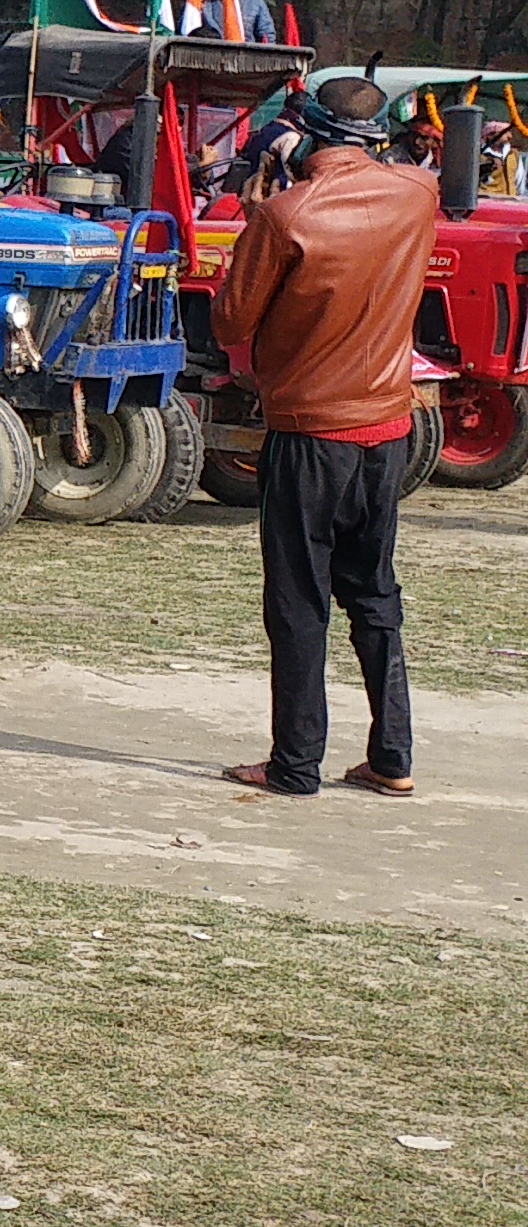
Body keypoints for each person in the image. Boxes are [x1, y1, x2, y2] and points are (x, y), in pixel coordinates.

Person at [212, 74, 437, 798]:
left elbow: (229, 324)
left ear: (306, 131)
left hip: (310, 429)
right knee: (373, 591)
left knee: (298, 599)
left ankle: (295, 763)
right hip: (388, 426)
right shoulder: (417, 197)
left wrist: (251, 226)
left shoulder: (285, 215)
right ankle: (393, 757)